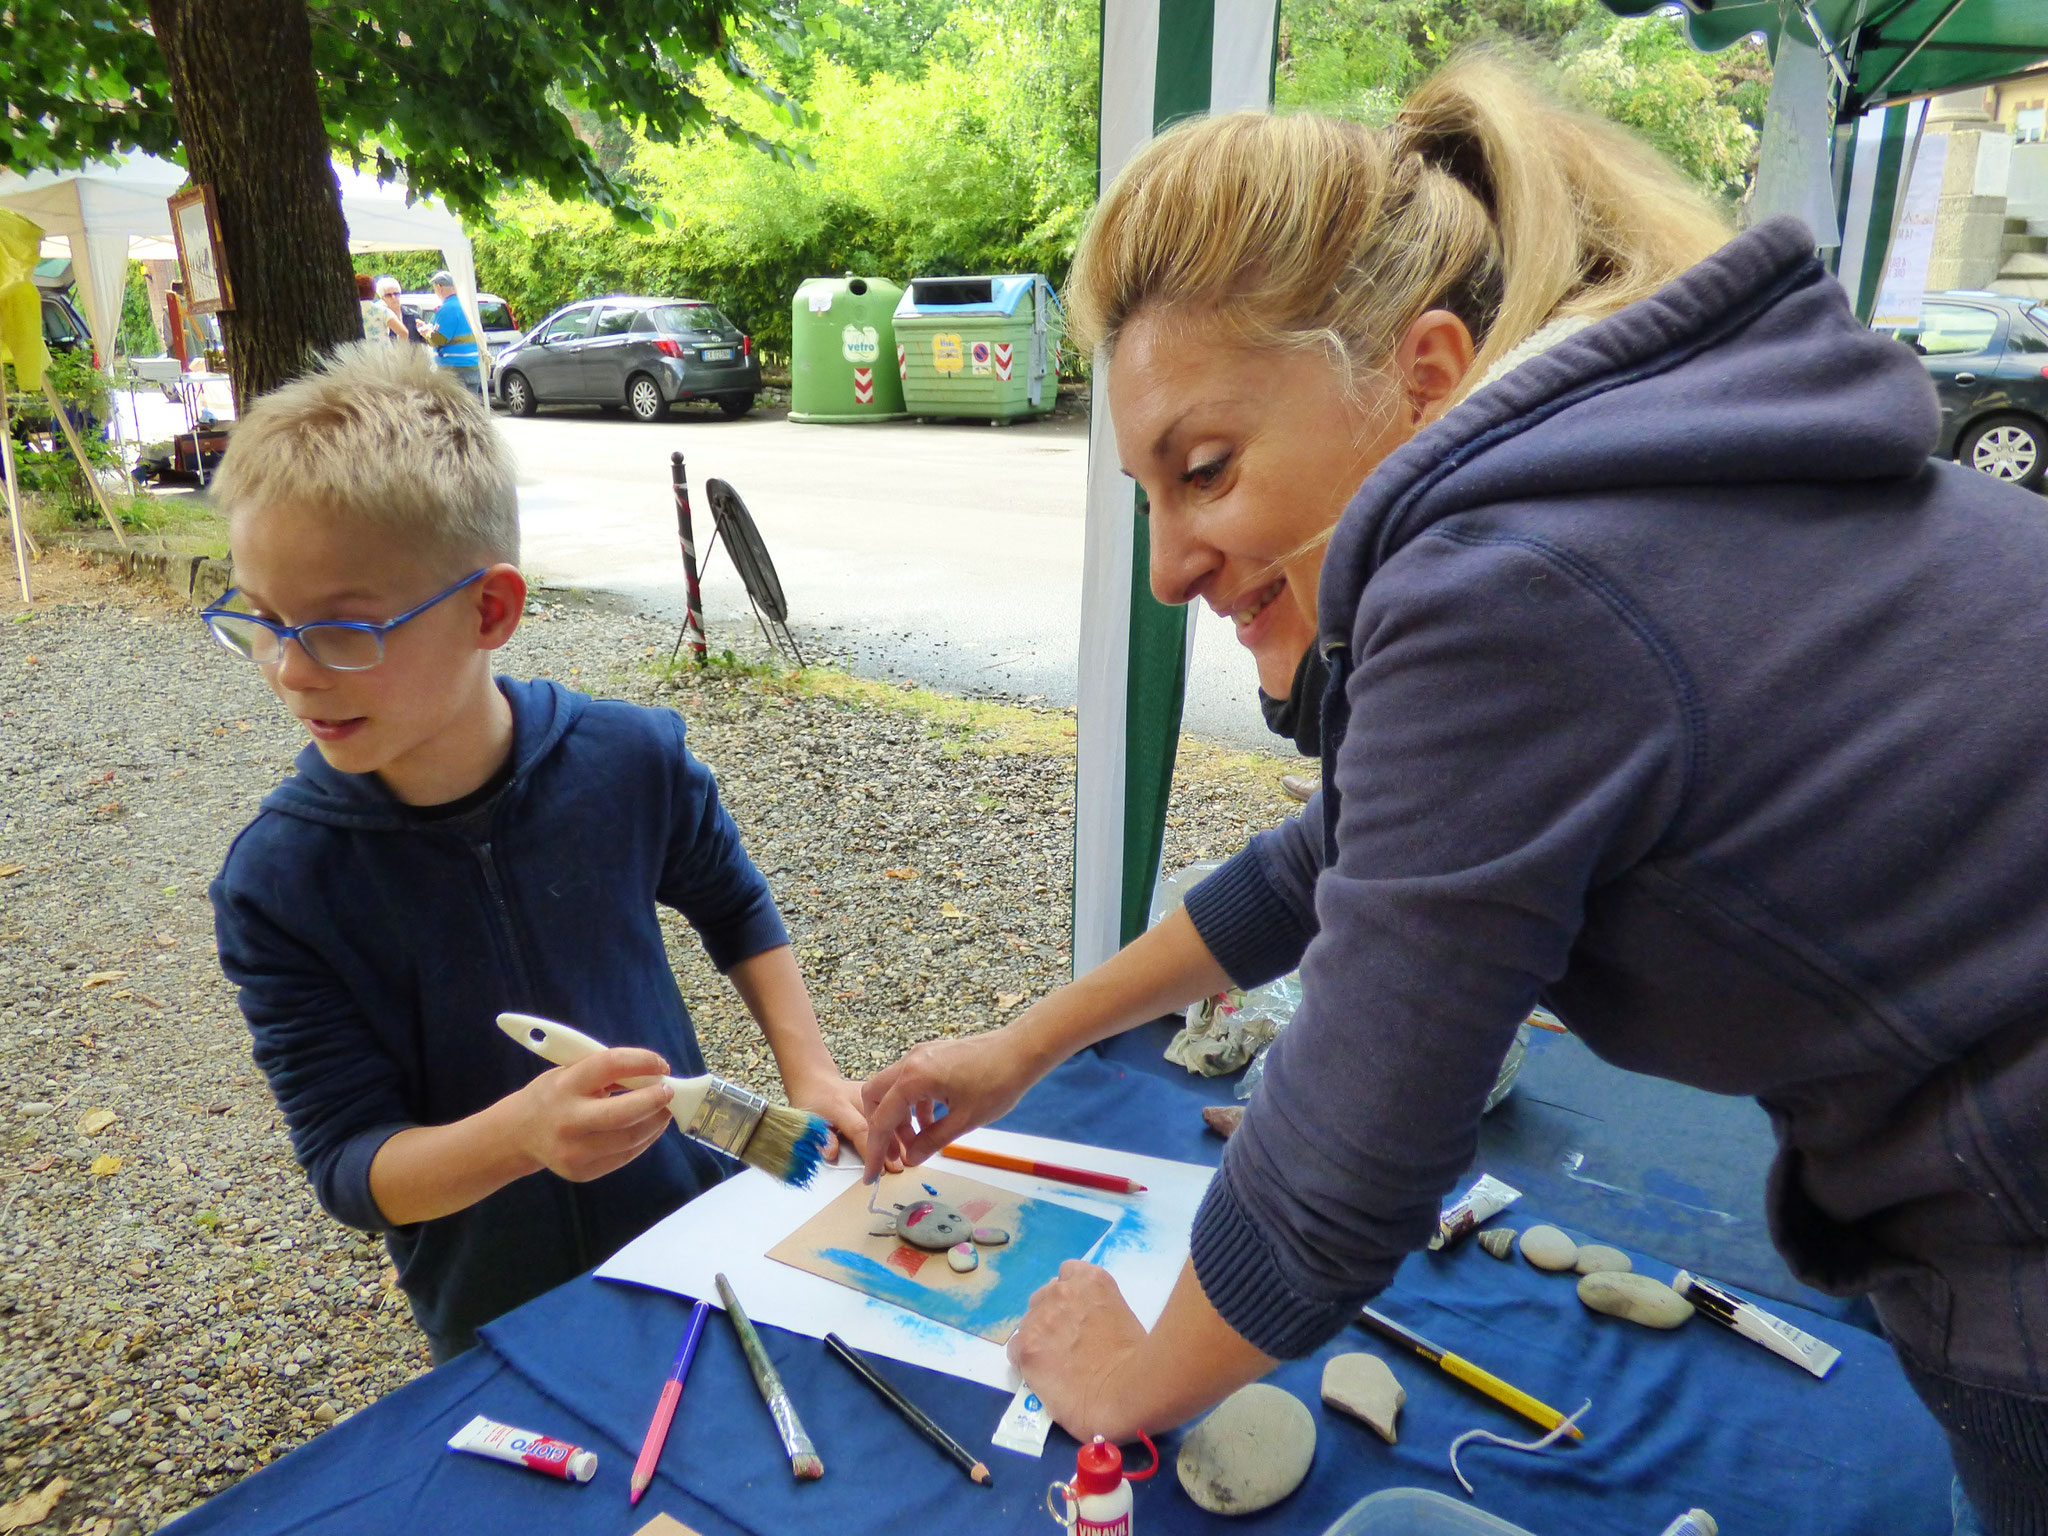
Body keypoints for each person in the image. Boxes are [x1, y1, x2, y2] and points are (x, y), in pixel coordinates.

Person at [859, 56, 2048, 1534]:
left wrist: (1131, 1376)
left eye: (1207, 469)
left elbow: (1347, 1157)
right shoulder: (1600, 499)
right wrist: (1021, 1048)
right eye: (1148, 500)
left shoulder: (1508, 581)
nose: (1167, 568)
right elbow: (1334, 860)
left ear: (1423, 371)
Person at [205, 342, 872, 1361]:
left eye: (341, 627)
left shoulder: (629, 760)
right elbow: (349, 1166)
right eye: (265, 618)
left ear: (491, 610)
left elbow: (732, 904)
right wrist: (519, 1139)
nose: (291, 671)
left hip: (696, 1245)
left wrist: (811, 1072)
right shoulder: (280, 886)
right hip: (501, 1323)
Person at [425, 269, 485, 398]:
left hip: (454, 368)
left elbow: (439, 339)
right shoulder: (467, 305)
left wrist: (426, 332)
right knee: (471, 409)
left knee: (456, 411)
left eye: (435, 288)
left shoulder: (447, 308)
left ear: (439, 287)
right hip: (473, 365)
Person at [368, 274, 412, 345]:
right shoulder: (379, 317)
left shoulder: (412, 316)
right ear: (382, 298)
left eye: (396, 294)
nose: (394, 297)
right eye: (388, 295)